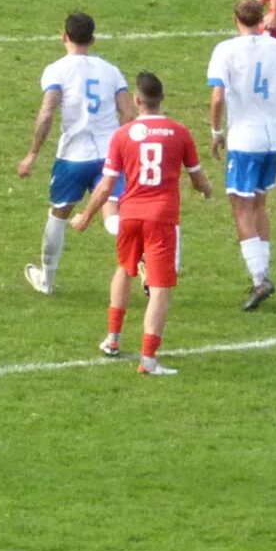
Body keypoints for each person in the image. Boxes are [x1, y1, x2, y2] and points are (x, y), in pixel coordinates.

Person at [72, 71, 209, 374]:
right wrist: (207, 190)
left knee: (124, 269)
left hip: (130, 213)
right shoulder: (179, 132)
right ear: (162, 99)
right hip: (161, 218)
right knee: (160, 288)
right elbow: (197, 178)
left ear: (136, 101)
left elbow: (106, 186)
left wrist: (85, 216)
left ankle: (113, 338)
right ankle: (148, 359)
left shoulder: (122, 135)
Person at [15, 10, 129, 296]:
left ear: (64, 37)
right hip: (108, 154)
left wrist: (32, 154)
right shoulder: (111, 71)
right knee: (112, 212)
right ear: (93, 39)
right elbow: (128, 112)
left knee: (59, 214)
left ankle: (47, 280)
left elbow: (47, 113)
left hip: (73, 157)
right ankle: (141, 261)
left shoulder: (56, 70)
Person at [205, 0, 276, 311]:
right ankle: (264, 271)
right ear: (262, 19)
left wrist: (216, 131)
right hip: (274, 138)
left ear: (236, 20)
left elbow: (217, 96)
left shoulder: (226, 50)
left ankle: (260, 279)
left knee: (240, 206)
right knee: (260, 203)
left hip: (245, 139)